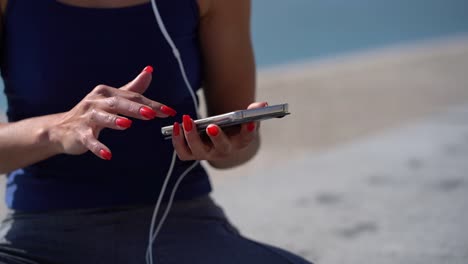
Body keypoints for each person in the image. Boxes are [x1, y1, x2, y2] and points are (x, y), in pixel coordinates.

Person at [0, 0, 313, 263]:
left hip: (184, 229)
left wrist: (231, 144)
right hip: (39, 239)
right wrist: (57, 131)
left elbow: (234, 152)